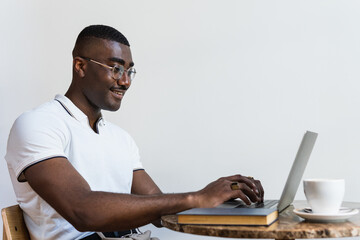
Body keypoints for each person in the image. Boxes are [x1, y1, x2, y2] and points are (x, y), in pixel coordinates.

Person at [5, 25, 264, 240]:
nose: (125, 81)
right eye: (116, 68)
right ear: (81, 66)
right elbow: (83, 210)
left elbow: (160, 207)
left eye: (129, 71)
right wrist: (196, 197)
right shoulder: (38, 124)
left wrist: (224, 199)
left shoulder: (120, 139)